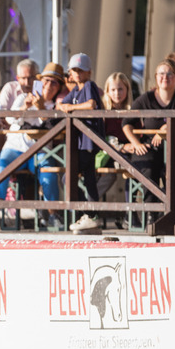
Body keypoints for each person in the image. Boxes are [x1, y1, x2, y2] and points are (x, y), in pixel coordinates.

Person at [0, 62, 67, 228]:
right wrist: (25, 106)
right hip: (15, 147)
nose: (49, 85)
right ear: (39, 82)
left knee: (49, 172)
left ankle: (53, 214)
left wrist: (40, 108)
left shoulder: (58, 106)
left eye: (54, 82)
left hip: (41, 150)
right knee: (1, 167)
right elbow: (9, 119)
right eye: (46, 81)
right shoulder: (23, 97)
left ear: (59, 87)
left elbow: (51, 127)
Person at [123, 58, 175, 222]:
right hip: (149, 147)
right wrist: (136, 143)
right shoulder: (146, 98)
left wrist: (167, 128)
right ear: (156, 77)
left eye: (170, 73)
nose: (165, 77)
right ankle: (151, 213)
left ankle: (170, 211)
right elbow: (126, 123)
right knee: (147, 167)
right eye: (161, 74)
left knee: (173, 170)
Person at [57, 53, 105, 232]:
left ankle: (90, 214)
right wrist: (65, 106)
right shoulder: (75, 90)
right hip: (81, 141)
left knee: (68, 178)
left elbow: (91, 104)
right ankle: (91, 216)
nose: (77, 74)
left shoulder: (89, 85)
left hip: (89, 140)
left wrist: (71, 108)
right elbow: (61, 104)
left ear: (89, 72)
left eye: (81, 70)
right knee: (89, 179)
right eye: (74, 70)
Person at [98, 72, 134, 228]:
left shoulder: (133, 110)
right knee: (109, 176)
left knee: (136, 170)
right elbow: (101, 139)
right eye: (113, 90)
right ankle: (86, 207)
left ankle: (131, 214)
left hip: (130, 154)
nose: (116, 93)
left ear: (127, 90)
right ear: (107, 91)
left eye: (120, 89)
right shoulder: (103, 112)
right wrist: (121, 147)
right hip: (107, 154)